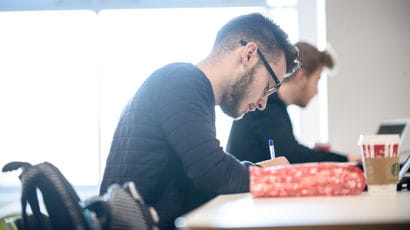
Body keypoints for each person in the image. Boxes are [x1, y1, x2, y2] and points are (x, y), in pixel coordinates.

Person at [99, 13, 300, 230]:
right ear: (249, 54)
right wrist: (272, 175)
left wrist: (261, 170)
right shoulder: (182, 81)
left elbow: (204, 176)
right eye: (268, 86)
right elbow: (214, 174)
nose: (263, 103)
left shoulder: (191, 89)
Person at [226, 42, 361, 164]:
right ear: (301, 77)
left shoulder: (276, 107)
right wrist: (347, 159)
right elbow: (293, 155)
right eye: (317, 80)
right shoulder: (266, 108)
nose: (316, 91)